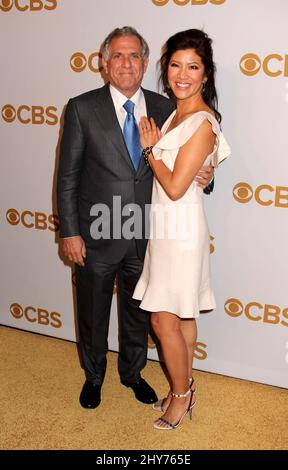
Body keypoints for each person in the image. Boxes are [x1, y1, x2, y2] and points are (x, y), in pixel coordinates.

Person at [57, 26, 214, 410]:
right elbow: (68, 175)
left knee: (138, 313)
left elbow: (194, 156)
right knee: (92, 311)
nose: (125, 64)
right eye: (117, 56)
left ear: (145, 64)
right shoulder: (81, 107)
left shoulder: (167, 108)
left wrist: (207, 177)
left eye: (133, 56)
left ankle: (132, 373)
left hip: (151, 233)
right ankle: (94, 376)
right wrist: (70, 232)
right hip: (97, 231)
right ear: (103, 63)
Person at [133, 29, 230, 429]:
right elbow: (194, 172)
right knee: (184, 316)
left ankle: (181, 393)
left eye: (193, 66)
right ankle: (183, 386)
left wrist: (151, 150)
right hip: (166, 229)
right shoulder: (177, 113)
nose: (183, 73)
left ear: (206, 73)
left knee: (162, 320)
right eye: (175, 65)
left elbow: (174, 187)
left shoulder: (202, 120)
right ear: (165, 67)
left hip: (182, 229)